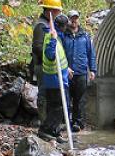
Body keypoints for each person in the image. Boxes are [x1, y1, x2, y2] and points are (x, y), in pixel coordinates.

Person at [37, 13, 70, 143]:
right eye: (64, 26)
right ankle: (45, 130)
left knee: (57, 107)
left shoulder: (56, 35)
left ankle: (55, 132)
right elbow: (50, 55)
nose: (65, 29)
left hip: (58, 78)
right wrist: (53, 40)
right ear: (61, 26)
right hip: (55, 80)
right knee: (58, 107)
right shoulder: (51, 38)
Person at [62, 10, 97, 131]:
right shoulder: (63, 35)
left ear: (78, 20)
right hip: (67, 73)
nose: (74, 20)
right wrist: (65, 67)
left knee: (80, 99)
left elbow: (91, 53)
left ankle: (78, 123)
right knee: (66, 98)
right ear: (68, 20)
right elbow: (60, 54)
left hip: (81, 72)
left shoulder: (85, 36)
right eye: (72, 18)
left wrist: (92, 70)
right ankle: (66, 122)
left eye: (76, 18)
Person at [31, 0, 63, 126]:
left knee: (52, 96)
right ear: (50, 10)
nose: (59, 13)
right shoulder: (41, 26)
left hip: (50, 66)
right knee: (44, 96)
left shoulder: (50, 24)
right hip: (42, 66)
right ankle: (44, 123)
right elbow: (37, 48)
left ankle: (51, 125)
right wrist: (50, 58)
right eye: (57, 10)